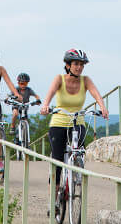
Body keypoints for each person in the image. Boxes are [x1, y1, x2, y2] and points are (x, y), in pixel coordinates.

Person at [40, 49, 108, 197]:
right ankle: (56, 195)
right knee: (58, 159)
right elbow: (50, 94)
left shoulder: (86, 80)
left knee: (79, 150)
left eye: (81, 64)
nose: (79, 67)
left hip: (78, 121)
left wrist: (102, 107)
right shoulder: (59, 79)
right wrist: (45, 105)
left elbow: (96, 93)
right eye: (76, 64)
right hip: (59, 122)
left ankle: (76, 169)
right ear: (68, 65)